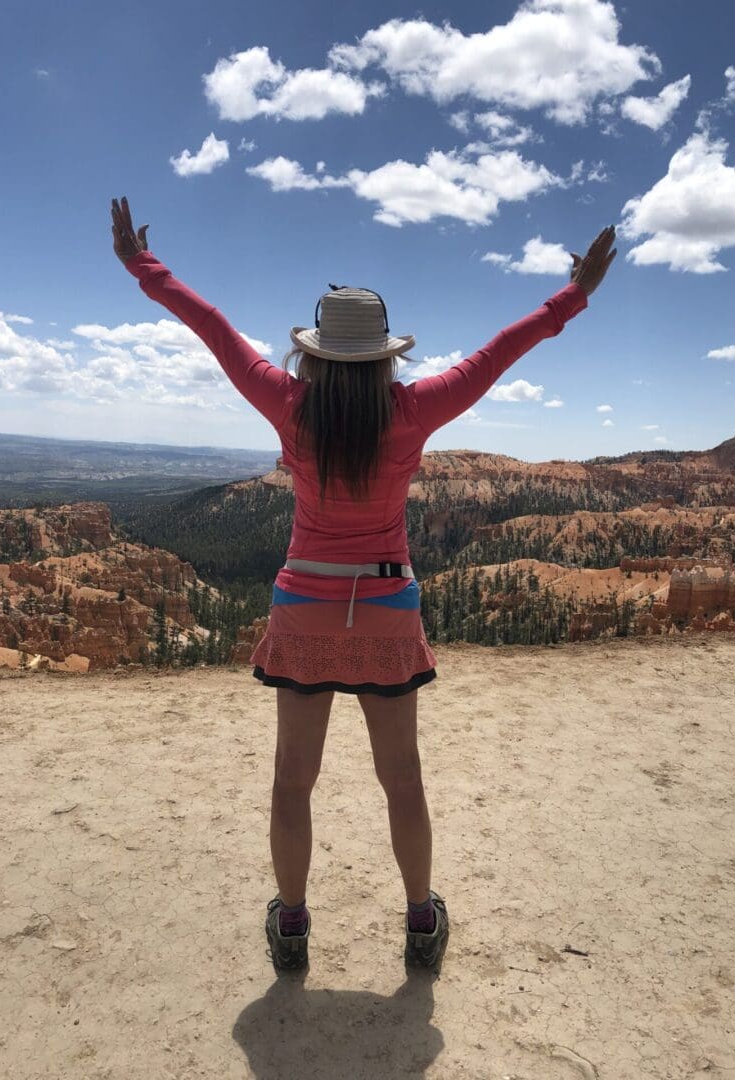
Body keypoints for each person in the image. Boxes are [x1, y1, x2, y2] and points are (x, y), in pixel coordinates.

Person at [111, 195, 616, 975]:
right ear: (386, 356)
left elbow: (212, 326)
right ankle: (420, 922)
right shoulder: (413, 412)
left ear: (313, 354)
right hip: (386, 608)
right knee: (403, 779)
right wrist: (575, 294)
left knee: (292, 780)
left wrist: (145, 267)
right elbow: (500, 350)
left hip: (303, 604)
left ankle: (291, 925)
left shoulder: (288, 404)